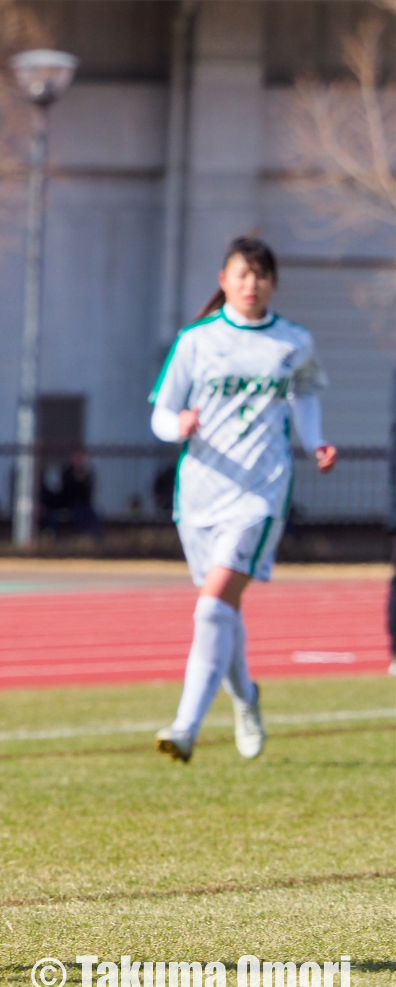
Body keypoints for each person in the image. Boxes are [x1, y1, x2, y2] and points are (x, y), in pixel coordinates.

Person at [149, 237, 336, 763]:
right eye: (242, 274)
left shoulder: (292, 341)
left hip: (261, 492)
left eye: (261, 274)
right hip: (201, 494)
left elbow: (305, 397)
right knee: (222, 612)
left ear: (273, 282)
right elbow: (161, 412)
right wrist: (177, 425)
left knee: (211, 610)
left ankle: (185, 729)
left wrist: (314, 442)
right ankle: (247, 699)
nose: (251, 283)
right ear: (224, 279)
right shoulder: (196, 340)